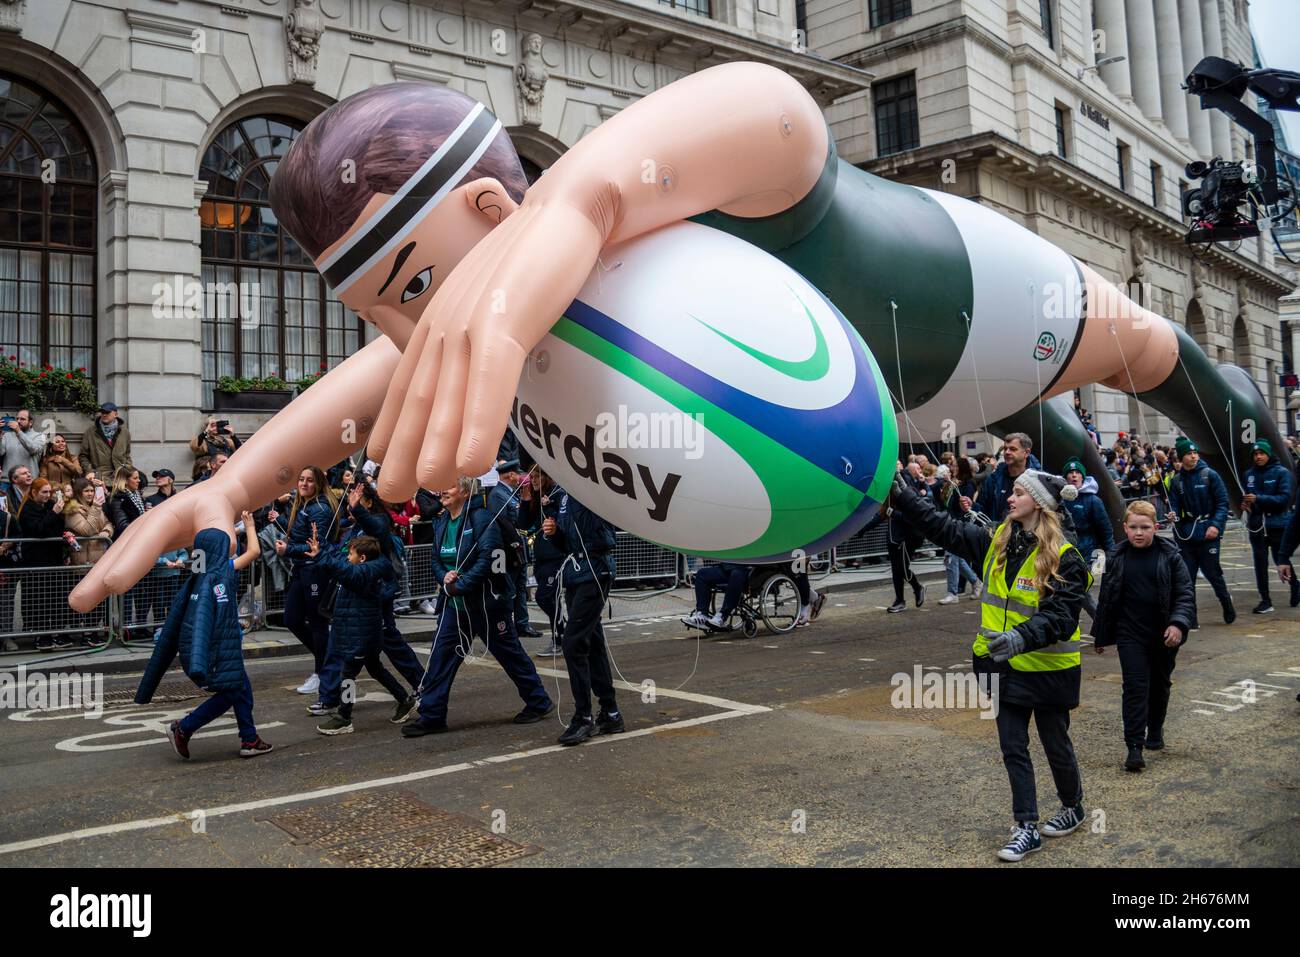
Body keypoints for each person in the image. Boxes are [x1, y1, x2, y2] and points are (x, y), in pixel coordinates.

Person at [890, 468, 1090, 863]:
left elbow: (1062, 618)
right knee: (1013, 747)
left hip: (1049, 672)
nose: (1010, 498)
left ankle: (1074, 806)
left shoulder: (1067, 558)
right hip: (1001, 669)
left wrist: (1021, 637)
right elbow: (943, 528)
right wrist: (905, 498)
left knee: (1055, 745)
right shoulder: (996, 542)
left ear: (1039, 503)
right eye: (1012, 492)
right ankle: (1026, 827)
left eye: (1018, 493)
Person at [402, 477, 553, 737]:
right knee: (440, 659)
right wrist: (445, 580)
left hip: (488, 605)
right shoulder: (441, 521)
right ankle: (432, 716)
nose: (442, 492)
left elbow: (488, 559)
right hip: (455, 606)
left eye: (448, 487)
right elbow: (436, 559)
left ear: (463, 490)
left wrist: (459, 586)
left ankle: (539, 702)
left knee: (510, 654)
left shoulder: (482, 518)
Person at [138, 516, 272, 760]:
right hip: (218, 653)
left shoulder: (197, 576)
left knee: (242, 691)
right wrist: (250, 526)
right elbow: (253, 551)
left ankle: (249, 738)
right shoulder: (221, 573)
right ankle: (184, 728)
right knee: (232, 693)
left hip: (222, 650)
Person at [1091, 500, 1196, 772]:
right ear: (1125, 528)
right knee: (1135, 687)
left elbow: (1185, 593)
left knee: (1159, 685)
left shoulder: (1171, 555)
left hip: (1164, 633)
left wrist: (1178, 624)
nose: (1139, 533)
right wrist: (1101, 634)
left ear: (1156, 528)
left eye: (1145, 527)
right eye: (1134, 527)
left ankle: (1156, 729)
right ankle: (1134, 747)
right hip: (1130, 634)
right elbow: (1107, 597)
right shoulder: (1116, 556)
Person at [306, 532, 415, 734]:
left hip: (362, 635)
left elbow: (346, 571)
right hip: (361, 633)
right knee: (376, 669)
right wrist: (321, 552)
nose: (348, 557)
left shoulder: (362, 574)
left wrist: (321, 556)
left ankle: (344, 716)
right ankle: (404, 699)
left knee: (347, 676)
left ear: (362, 558)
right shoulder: (362, 570)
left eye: (351, 554)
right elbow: (341, 566)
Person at [543, 488, 623, 746]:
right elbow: (567, 543)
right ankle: (610, 712)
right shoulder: (563, 495)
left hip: (595, 571)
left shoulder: (593, 490)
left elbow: (605, 536)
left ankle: (584, 717)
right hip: (576, 573)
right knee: (593, 643)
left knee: (573, 643)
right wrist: (554, 533)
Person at [336, 480, 425, 707]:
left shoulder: (380, 521)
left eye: (357, 501)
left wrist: (357, 509)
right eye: (350, 502)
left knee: (390, 643)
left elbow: (375, 528)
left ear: (368, 501)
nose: (351, 506)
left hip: (377, 598)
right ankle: (333, 700)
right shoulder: (355, 526)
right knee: (367, 656)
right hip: (360, 600)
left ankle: (422, 684)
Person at [273, 466, 340, 695]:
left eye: (309, 480)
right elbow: (297, 531)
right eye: (301, 479)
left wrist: (288, 549)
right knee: (292, 619)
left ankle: (323, 672)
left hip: (315, 570)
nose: (303, 484)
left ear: (318, 483)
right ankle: (329, 660)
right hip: (302, 570)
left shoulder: (320, 508)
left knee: (317, 622)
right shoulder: (303, 505)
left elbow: (316, 547)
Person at [1165, 437, 1235, 626]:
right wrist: (1173, 518)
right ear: (1181, 457)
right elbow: (1174, 507)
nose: (1193, 456)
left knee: (1213, 573)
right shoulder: (1177, 481)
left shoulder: (1209, 475)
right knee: (1187, 577)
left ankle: (1227, 604)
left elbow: (1222, 503)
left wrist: (1216, 526)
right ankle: (1190, 616)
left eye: (1195, 452)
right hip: (1187, 534)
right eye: (1189, 453)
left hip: (1208, 531)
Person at [17, 478, 75, 650]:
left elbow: (56, 529)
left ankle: (56, 633)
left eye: (49, 492)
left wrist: (65, 537)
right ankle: (41, 635)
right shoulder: (28, 509)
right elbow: (38, 530)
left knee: (56, 599)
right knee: (38, 600)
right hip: (36, 561)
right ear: (34, 492)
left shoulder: (51, 505)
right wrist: (54, 513)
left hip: (54, 559)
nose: (47, 495)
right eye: (43, 492)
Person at [1241, 439, 1298, 613]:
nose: (1258, 457)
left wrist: (1259, 499)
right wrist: (1245, 505)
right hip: (1257, 525)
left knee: (1281, 559)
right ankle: (1265, 599)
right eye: (1256, 454)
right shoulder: (1248, 474)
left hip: (1278, 524)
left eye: (1262, 453)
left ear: (1269, 454)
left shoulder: (1282, 473)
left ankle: (1295, 586)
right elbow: (1246, 498)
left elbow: (1284, 500)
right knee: (1259, 563)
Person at [1060, 456, 1113, 621]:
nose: (1074, 475)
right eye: (1070, 473)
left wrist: (1111, 553)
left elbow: (1105, 529)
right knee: (1072, 591)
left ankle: (1101, 623)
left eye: (1077, 472)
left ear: (1083, 476)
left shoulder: (1093, 500)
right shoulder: (1059, 500)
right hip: (1064, 554)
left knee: (1080, 590)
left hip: (1089, 553)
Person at [63, 477, 113, 645]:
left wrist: (106, 531)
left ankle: (92, 631)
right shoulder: (72, 510)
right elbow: (87, 530)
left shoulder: (95, 508)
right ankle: (84, 633)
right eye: (87, 491)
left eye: (92, 490)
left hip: (98, 560)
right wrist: (96, 510)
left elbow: (108, 523)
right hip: (82, 562)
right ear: (79, 493)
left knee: (97, 599)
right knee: (83, 598)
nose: (91, 494)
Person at [524, 470, 566, 656]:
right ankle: (560, 637)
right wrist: (525, 502)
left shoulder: (558, 494)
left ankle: (561, 635)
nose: (532, 480)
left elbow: (560, 523)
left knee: (545, 597)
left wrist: (549, 507)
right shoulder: (536, 499)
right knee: (551, 598)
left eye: (536, 476)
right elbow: (524, 525)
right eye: (531, 477)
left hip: (556, 557)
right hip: (541, 557)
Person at [938, 456, 982, 605]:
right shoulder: (954, 483)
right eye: (952, 466)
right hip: (950, 522)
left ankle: (952, 592)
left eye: (955, 466)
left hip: (959, 524)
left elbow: (966, 507)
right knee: (958, 558)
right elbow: (944, 501)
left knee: (951, 558)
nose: (953, 468)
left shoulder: (968, 484)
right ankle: (976, 582)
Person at [974, 433, 1040, 524]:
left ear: (1027, 452)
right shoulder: (993, 479)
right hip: (995, 534)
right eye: (1005, 449)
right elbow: (982, 509)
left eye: (1013, 449)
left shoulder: (1039, 480)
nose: (1007, 452)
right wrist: (972, 506)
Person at [681, 562, 751, 630]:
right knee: (702, 574)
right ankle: (702, 614)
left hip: (747, 570)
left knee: (736, 575)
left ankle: (722, 616)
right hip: (728, 567)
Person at [78, 402, 131, 483]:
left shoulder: (124, 432)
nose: (104, 415)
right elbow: (83, 456)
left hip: (121, 477)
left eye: (107, 412)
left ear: (115, 414)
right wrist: (90, 471)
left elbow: (127, 454)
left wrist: (127, 468)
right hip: (100, 478)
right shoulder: (90, 432)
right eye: (102, 412)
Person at [189, 416, 241, 481]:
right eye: (212, 425)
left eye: (217, 425)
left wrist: (233, 435)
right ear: (206, 427)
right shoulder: (203, 440)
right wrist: (206, 431)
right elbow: (196, 446)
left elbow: (241, 451)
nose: (215, 428)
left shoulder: (227, 441)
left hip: (226, 473)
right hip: (208, 476)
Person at [1, 409, 48, 480]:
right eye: (17, 419)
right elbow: (0, 452)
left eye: (22, 419)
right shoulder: (7, 435)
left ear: (30, 422)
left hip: (29, 481)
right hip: (8, 480)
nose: (18, 421)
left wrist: (18, 432)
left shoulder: (40, 436)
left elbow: (33, 449)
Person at [105, 466, 147, 537]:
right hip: (127, 538)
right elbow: (122, 525)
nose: (139, 480)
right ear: (125, 481)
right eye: (135, 478)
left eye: (138, 477)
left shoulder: (138, 496)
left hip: (138, 535)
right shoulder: (117, 498)